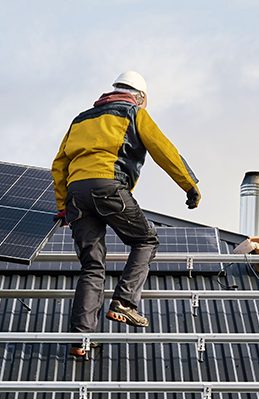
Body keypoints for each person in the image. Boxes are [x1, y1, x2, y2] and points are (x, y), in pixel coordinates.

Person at [51, 71, 201, 357]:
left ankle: (80, 339)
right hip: (108, 186)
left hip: (76, 195)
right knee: (145, 240)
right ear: (140, 96)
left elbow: (59, 165)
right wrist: (190, 185)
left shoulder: (81, 119)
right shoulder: (133, 114)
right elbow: (164, 150)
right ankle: (124, 302)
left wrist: (63, 206)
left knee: (92, 267)